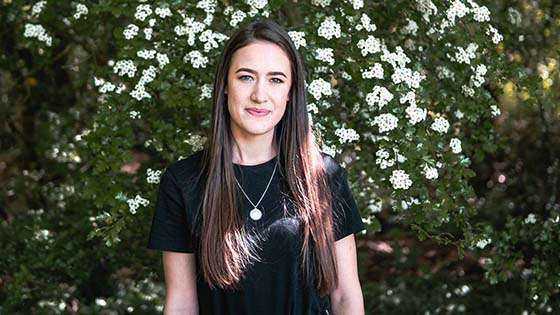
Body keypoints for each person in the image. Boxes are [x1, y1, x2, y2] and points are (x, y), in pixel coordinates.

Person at [148, 18, 365, 315]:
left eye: (276, 79)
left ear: (290, 92)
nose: (260, 95)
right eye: (246, 77)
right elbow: (182, 304)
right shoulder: (184, 181)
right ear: (225, 84)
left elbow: (345, 296)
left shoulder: (323, 176)